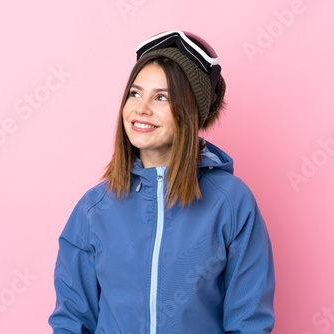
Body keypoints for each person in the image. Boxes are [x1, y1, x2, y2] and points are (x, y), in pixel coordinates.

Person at [49, 30, 275, 333]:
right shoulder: (94, 208)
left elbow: (249, 322)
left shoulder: (231, 202)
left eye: (162, 97)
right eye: (135, 93)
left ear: (190, 112)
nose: (141, 108)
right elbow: (72, 321)